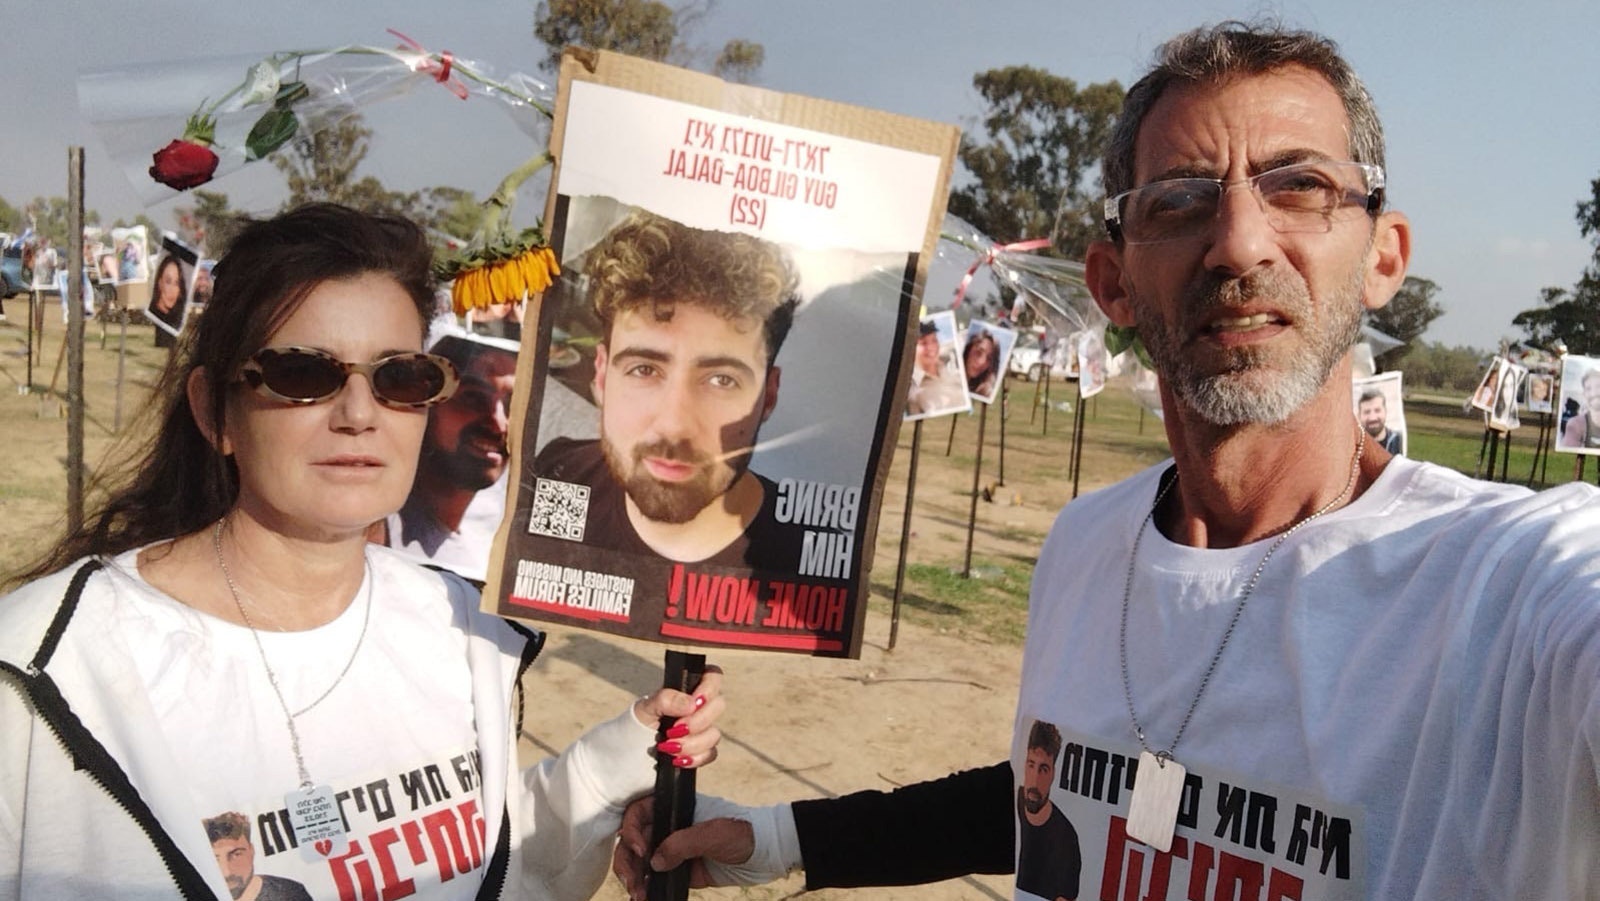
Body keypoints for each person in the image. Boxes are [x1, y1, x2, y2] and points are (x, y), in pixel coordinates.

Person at [615, 21, 1600, 901]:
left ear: (1383, 254)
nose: (1238, 242)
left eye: (1298, 186)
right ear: (1111, 280)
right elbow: (1060, 787)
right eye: (1178, 201)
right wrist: (784, 837)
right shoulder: (1085, 542)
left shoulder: (1513, 586)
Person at [0, 203, 725, 900]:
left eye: (398, 377)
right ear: (214, 411)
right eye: (303, 374)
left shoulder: (461, 629)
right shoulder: (45, 673)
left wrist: (619, 760)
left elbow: (475, 863)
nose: (357, 414)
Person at [532, 209, 808, 567]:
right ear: (601, 377)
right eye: (644, 369)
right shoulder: (563, 472)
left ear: (768, 396)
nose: (674, 426)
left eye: (722, 380)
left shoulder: (801, 558)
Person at [387, 334, 517, 580]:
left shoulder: (487, 553)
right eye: (473, 398)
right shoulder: (373, 529)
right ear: (426, 404)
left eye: (514, 406)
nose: (498, 423)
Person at [1015, 721, 1080, 901]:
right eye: (1031, 765)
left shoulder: (1066, 839)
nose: (1035, 780)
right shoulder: (1012, 804)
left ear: (1053, 774)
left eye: (1044, 769)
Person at [205, 811, 312, 901]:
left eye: (236, 855)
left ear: (252, 851)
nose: (227, 872)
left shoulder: (290, 892)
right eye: (215, 859)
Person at [905, 318, 968, 417]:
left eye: (934, 340)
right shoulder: (911, 388)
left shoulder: (952, 372)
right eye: (923, 343)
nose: (931, 347)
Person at [148, 253, 188, 349]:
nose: (172, 290)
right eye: (168, 281)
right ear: (160, 283)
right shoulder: (153, 309)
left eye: (176, 283)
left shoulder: (179, 314)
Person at [1559, 366, 1600, 449]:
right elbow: (1569, 450)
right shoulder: (1575, 424)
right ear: (1584, 394)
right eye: (1588, 389)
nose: (1594, 393)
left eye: (1598, 387)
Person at [1357, 387, 1403, 454]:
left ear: (1385, 411)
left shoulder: (1399, 441)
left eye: (1377, 410)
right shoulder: (1353, 445)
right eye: (1367, 412)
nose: (1372, 418)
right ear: (1359, 416)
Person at [963, 327, 1001, 399]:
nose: (982, 362)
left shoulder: (981, 390)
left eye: (989, 359)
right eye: (978, 352)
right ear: (968, 349)